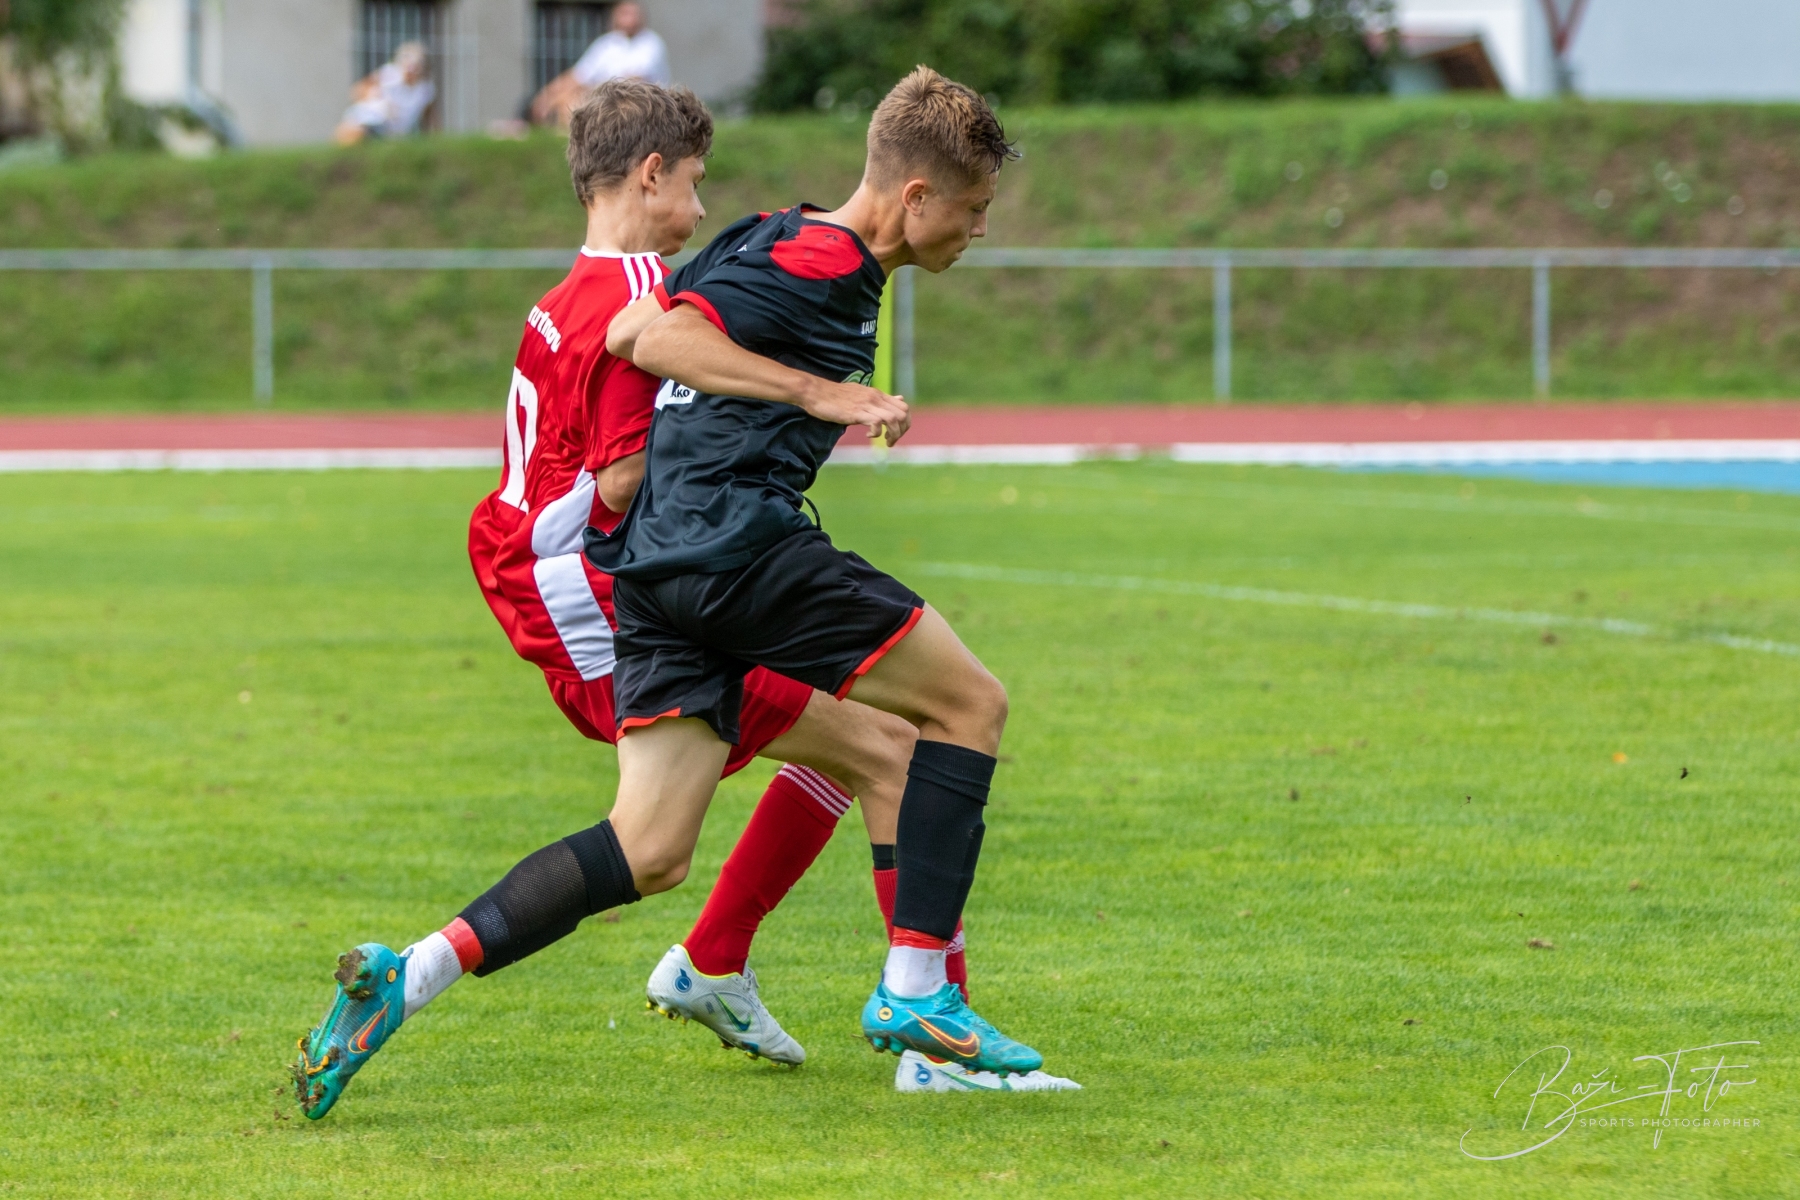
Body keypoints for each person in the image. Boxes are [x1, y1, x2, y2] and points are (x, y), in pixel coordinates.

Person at [291, 79, 1001, 1122]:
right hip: (616, 593)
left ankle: (425, 974)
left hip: (555, 578)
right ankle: (925, 1026)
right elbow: (630, 472)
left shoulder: (567, 291)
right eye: (695, 183)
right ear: (650, 175)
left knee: (668, 841)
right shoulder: (637, 291)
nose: (703, 208)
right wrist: (784, 415)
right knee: (892, 746)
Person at [592, 66, 1043, 1077]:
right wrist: (817, 393)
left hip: (677, 557)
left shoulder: (774, 231)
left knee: (869, 743)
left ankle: (720, 963)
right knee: (970, 705)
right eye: (973, 208)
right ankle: (917, 995)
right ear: (916, 196)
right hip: (736, 547)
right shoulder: (819, 259)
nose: (981, 229)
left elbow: (626, 327)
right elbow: (658, 337)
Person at [530, 2, 669, 128]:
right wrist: (547, 97)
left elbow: (634, 80)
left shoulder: (651, 42)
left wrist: (594, 91)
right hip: (606, 98)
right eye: (624, 13)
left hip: (641, 102)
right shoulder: (607, 43)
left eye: (632, 14)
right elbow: (577, 75)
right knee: (568, 99)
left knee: (582, 100)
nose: (628, 19)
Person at [335, 42, 436, 145]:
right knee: (353, 133)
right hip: (373, 121)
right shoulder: (390, 74)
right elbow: (357, 91)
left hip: (393, 132)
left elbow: (429, 118)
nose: (412, 68)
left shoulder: (426, 89)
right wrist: (373, 96)